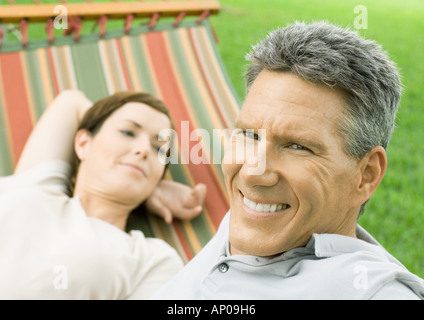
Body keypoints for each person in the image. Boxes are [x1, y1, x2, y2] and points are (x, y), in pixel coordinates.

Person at [152, 21, 424, 300]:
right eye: (249, 135)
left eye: (297, 146)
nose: (252, 174)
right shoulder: (256, 220)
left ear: (366, 175)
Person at [0, 90, 206, 299]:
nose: (144, 150)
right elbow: (70, 102)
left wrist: (147, 181)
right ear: (83, 144)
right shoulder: (39, 187)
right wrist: (153, 184)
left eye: (158, 148)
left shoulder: (152, 260)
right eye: (127, 132)